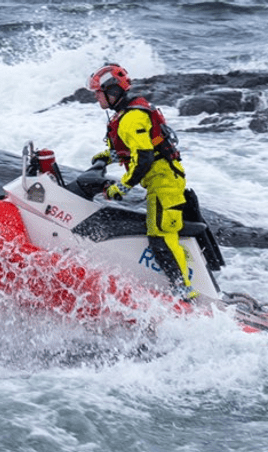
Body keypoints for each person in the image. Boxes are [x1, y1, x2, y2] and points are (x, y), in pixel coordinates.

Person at [86, 63, 199, 301]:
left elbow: (144, 159)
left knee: (161, 239)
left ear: (113, 91)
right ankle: (183, 289)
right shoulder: (126, 115)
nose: (96, 97)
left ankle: (185, 293)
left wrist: (121, 188)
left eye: (98, 92)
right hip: (160, 181)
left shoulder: (132, 118)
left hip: (164, 184)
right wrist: (106, 157)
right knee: (160, 236)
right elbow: (133, 150)